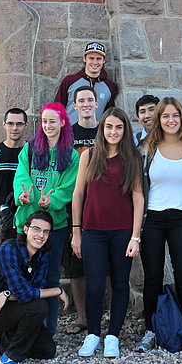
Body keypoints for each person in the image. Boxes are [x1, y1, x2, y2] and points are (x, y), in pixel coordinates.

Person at [135, 97, 182, 352]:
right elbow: (137, 189)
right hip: (152, 218)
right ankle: (151, 330)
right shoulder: (146, 148)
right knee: (152, 277)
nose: (171, 120)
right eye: (165, 116)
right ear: (158, 120)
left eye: (175, 115)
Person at [71, 108, 144, 358]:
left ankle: (113, 335)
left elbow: (138, 197)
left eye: (119, 127)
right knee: (94, 286)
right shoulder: (88, 156)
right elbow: (78, 194)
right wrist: (76, 232)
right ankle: (93, 334)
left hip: (122, 230)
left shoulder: (132, 157)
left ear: (125, 130)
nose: (113, 132)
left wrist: (136, 236)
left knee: (120, 284)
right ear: (102, 129)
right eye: (109, 127)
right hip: (92, 231)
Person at [13, 102, 79, 337]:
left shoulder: (70, 155)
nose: (48, 125)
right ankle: (23, 329)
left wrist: (53, 202)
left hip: (55, 227)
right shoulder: (30, 149)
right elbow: (20, 176)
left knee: (50, 278)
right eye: (44, 121)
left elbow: (68, 187)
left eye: (53, 121)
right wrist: (23, 196)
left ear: (62, 122)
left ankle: (46, 333)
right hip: (28, 224)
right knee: (23, 276)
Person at [0, 210, 70, 364]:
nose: (41, 235)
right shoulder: (9, 250)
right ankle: (11, 357)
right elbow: (25, 293)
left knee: (47, 351)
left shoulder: (42, 254)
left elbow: (33, 289)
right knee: (40, 306)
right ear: (25, 229)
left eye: (45, 231)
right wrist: (57, 291)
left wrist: (6, 295)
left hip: (16, 307)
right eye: (36, 229)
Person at [64, 85, 100, 335]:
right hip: (73, 204)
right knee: (76, 265)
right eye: (81, 101)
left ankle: (106, 315)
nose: (86, 104)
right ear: (74, 106)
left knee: (107, 264)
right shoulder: (67, 135)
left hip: (102, 204)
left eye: (90, 100)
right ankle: (82, 317)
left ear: (97, 104)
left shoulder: (107, 128)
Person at [0, 108, 28, 244]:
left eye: (19, 124)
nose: (15, 128)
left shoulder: (34, 154)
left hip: (26, 218)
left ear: (26, 125)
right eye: (10, 123)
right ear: (4, 125)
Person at [55, 42, 116, 124]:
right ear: (84, 59)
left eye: (98, 59)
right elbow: (57, 109)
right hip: (71, 134)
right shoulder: (70, 81)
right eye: (91, 58)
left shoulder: (110, 86)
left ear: (104, 61)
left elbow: (109, 116)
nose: (95, 62)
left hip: (96, 135)